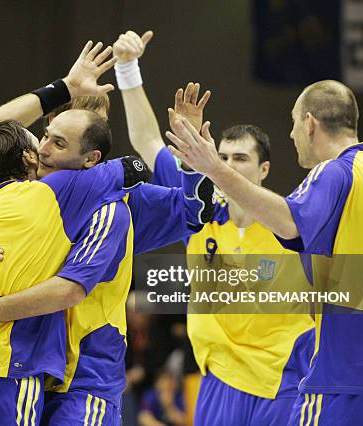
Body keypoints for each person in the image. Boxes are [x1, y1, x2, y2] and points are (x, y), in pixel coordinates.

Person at [0, 39, 212, 425]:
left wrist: (196, 156)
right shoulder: (27, 186)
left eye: (59, 141)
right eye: (46, 133)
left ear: (92, 155)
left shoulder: (119, 204)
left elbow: (195, 210)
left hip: (84, 375)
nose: (44, 149)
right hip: (21, 365)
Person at [115, 30, 315, 425]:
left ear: (264, 170)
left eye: (239, 158)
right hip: (219, 378)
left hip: (284, 379)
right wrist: (127, 68)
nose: (226, 165)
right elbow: (147, 140)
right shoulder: (200, 206)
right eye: (220, 156)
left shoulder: (292, 220)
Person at [166, 80, 363, 425]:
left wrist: (213, 168)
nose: (291, 133)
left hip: (341, 372)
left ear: (310, 123)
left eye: (294, 122)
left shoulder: (333, 171)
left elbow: (289, 222)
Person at [0, 117, 150, 425]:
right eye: (42, 140)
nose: (45, 149)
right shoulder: (54, 192)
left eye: (57, 142)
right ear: (28, 158)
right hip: (8, 364)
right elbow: (136, 168)